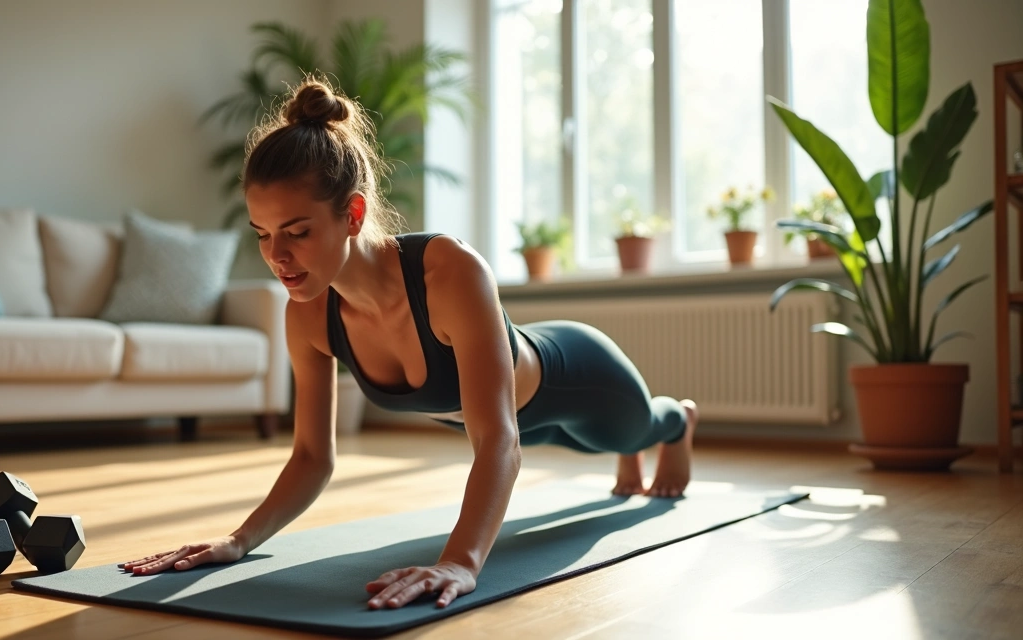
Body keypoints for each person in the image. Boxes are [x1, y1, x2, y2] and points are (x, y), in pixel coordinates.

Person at [120, 76, 698, 611]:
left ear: (352, 214)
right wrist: (239, 540)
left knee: (630, 429)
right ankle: (632, 448)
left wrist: (461, 562)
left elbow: (499, 440)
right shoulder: (310, 316)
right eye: (264, 235)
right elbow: (313, 457)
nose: (277, 256)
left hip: (578, 379)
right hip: (503, 419)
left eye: (297, 232)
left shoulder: (448, 272)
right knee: (584, 446)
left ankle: (676, 422)